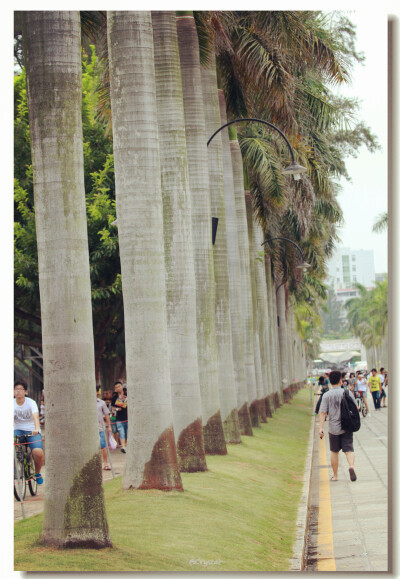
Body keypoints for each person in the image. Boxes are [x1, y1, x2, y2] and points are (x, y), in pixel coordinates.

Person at [319, 370, 357, 482]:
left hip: (333, 428)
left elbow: (323, 413)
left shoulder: (326, 395)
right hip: (347, 426)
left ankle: (335, 476)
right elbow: (356, 407)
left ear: (330, 381)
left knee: (334, 452)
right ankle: (351, 466)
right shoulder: (347, 393)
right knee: (348, 449)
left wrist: (321, 428)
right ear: (341, 381)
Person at [14, 380, 44, 484]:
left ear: (25, 391)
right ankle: (16, 465)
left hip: (32, 430)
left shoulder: (31, 402)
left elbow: (35, 416)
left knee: (38, 452)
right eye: (16, 389)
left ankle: (37, 473)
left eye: (20, 389)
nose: (18, 391)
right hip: (17, 429)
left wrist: (36, 428)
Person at [96, 386, 112, 470]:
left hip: (100, 427)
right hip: (90, 429)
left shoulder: (101, 403)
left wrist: (109, 426)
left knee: (103, 445)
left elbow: (106, 415)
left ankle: (105, 463)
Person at [111, 381, 128, 453]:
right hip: (119, 419)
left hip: (127, 418)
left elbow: (126, 406)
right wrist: (119, 408)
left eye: (119, 386)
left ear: (122, 386)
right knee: (121, 432)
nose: (118, 388)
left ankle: (126, 446)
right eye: (116, 387)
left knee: (127, 433)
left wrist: (121, 405)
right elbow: (113, 408)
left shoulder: (127, 395)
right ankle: (123, 447)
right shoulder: (114, 398)